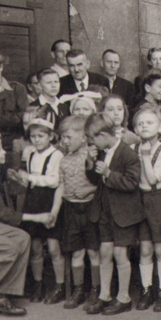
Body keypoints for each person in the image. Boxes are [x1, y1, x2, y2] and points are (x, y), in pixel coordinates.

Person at [84, 113, 146, 315]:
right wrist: (90, 163)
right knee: (105, 252)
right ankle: (104, 295)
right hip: (105, 211)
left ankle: (124, 297)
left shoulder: (127, 153)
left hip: (123, 213)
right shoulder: (102, 152)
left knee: (120, 254)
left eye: (92, 139)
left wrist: (109, 174)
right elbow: (94, 180)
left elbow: (131, 182)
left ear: (103, 135)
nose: (91, 143)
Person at [0, 128, 44, 315]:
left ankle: (1, 294)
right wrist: (37, 218)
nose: (4, 153)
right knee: (9, 249)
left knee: (22, 238)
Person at [8, 118, 65, 304]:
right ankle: (39, 284)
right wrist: (21, 178)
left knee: (54, 246)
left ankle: (60, 284)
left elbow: (54, 181)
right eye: (33, 136)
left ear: (51, 136)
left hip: (48, 202)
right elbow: (29, 181)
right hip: (33, 202)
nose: (37, 140)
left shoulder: (56, 155)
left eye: (41, 136)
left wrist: (31, 177)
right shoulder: (30, 153)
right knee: (35, 247)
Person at [49, 116, 101, 309]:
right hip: (71, 210)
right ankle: (78, 290)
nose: (65, 141)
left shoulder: (92, 156)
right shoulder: (63, 161)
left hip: (89, 208)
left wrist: (89, 190)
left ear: (83, 136)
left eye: (69, 137)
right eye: (63, 137)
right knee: (77, 252)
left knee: (93, 252)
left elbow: (100, 184)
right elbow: (61, 186)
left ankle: (96, 289)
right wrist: (55, 211)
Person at [131, 107, 161, 312]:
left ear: (160, 126)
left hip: (157, 198)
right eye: (140, 123)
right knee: (145, 248)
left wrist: (146, 156)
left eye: (149, 122)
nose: (144, 126)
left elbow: (153, 178)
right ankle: (146, 289)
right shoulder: (133, 147)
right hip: (140, 199)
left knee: (160, 248)